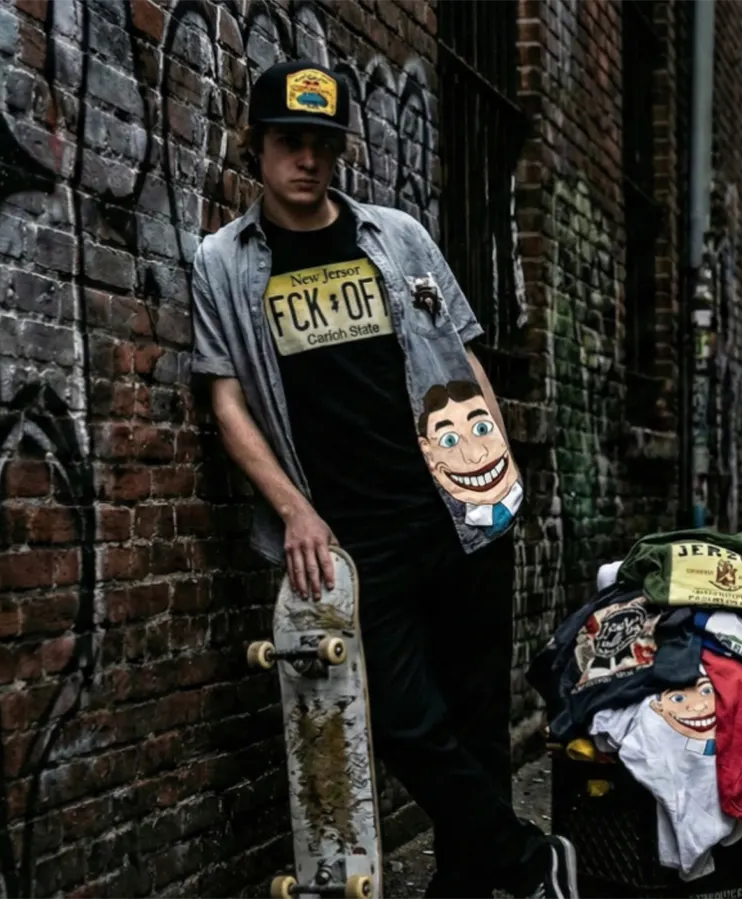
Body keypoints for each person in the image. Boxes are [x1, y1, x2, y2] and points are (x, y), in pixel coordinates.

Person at [188, 60, 577, 899]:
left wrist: (498, 470)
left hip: (462, 510)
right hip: (353, 539)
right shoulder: (224, 262)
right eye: (291, 143)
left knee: (477, 715)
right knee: (404, 721)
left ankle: (469, 882)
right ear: (255, 146)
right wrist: (293, 510)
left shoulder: (395, 236)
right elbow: (226, 402)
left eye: (324, 145)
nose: (309, 162)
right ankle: (531, 862)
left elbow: (463, 354)